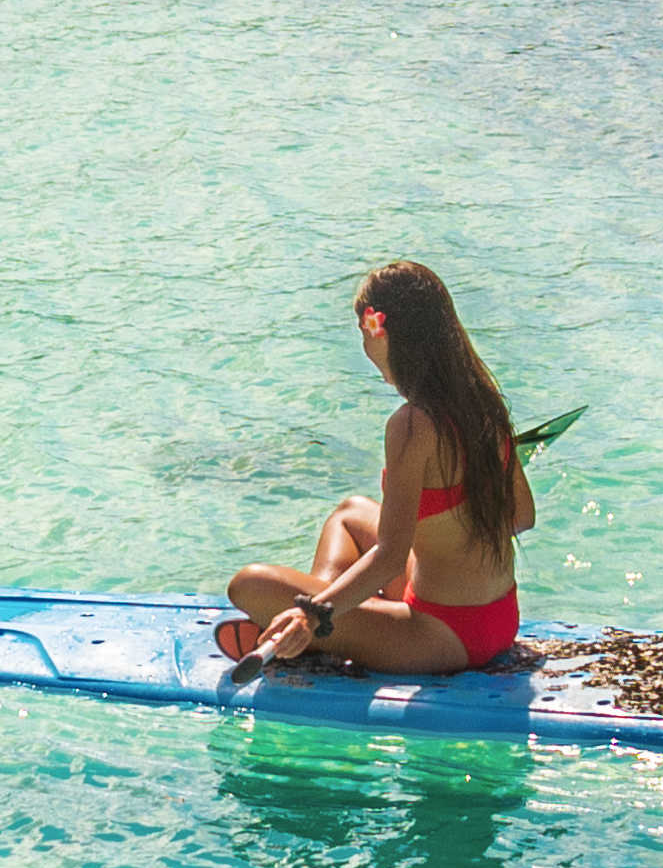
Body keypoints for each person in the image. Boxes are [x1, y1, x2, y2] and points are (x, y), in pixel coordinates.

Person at [217, 257, 530, 677]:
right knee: (350, 513)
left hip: (446, 636)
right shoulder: (484, 401)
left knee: (250, 584)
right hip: (500, 619)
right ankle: (329, 619)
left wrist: (311, 616)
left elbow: (389, 558)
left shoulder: (412, 425)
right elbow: (522, 517)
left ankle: (312, 630)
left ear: (382, 333)